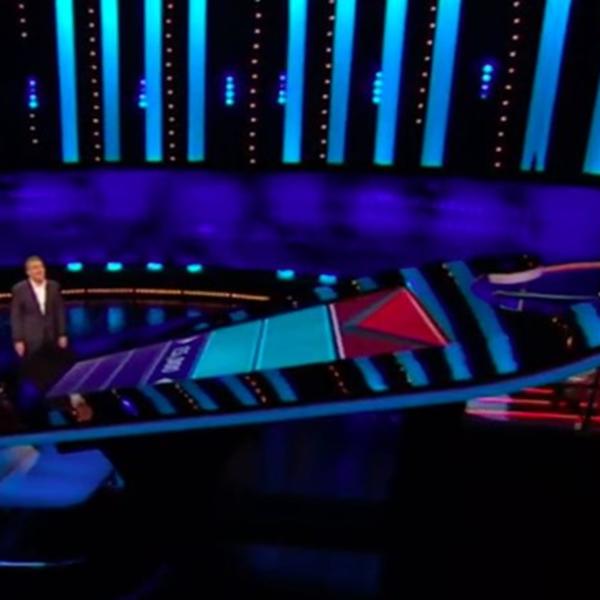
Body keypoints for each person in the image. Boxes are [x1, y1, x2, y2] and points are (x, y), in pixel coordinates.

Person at [10, 256, 70, 393]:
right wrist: (18, 339)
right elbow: (16, 316)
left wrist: (62, 334)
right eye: (35, 268)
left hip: (52, 336)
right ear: (28, 272)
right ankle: (43, 395)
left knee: (55, 369)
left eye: (41, 267)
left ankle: (56, 394)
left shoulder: (54, 286)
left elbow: (59, 312)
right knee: (37, 372)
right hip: (31, 337)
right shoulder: (19, 289)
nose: (39, 270)